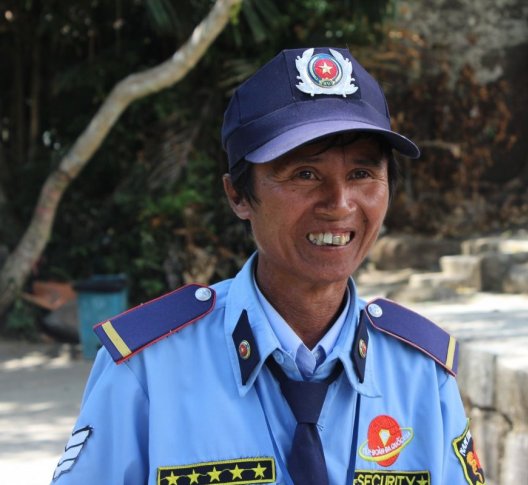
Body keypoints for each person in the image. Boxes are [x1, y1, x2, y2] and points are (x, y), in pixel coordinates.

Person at [51, 47, 486, 485]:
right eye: (305, 174)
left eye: (361, 174)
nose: (339, 205)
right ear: (238, 195)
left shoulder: (420, 374)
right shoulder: (148, 370)